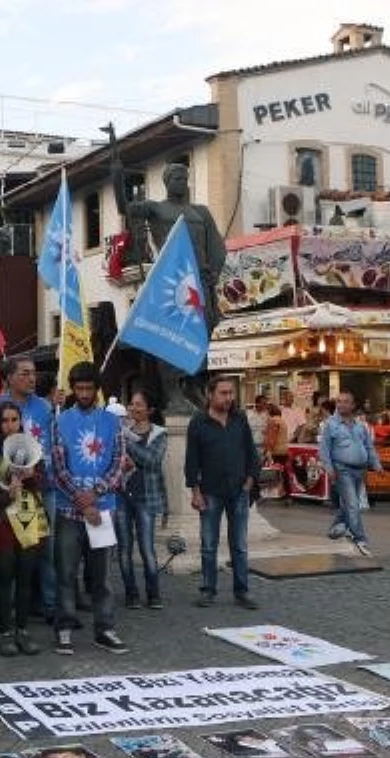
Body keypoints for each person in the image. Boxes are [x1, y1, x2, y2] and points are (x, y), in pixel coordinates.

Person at [114, 160, 226, 411]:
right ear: (166, 182)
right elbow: (125, 208)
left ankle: (195, 385)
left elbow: (218, 247)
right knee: (172, 336)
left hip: (198, 285)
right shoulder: (156, 209)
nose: (181, 183)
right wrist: (117, 176)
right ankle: (173, 391)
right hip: (171, 285)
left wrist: (214, 273)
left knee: (201, 336)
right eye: (176, 178)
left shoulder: (201, 212)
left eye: (184, 178)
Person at [50, 362, 129, 655]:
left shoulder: (112, 422)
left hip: (103, 511)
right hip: (70, 511)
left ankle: (105, 628)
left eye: (88, 388)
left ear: (96, 390)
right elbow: (58, 467)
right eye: (79, 388)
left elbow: (119, 462)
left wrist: (95, 494)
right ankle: (65, 629)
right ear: (73, 389)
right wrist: (82, 502)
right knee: (66, 572)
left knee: (102, 576)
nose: (83, 393)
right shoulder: (61, 421)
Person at [0, 357, 58, 624]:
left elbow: (50, 444)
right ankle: (5, 611)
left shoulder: (46, 407)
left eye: (33, 373)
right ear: (10, 377)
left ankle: (48, 605)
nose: (32, 378)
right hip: (6, 494)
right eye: (25, 373)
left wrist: (37, 469)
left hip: (39, 489)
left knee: (44, 550)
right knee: (5, 557)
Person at [185, 376, 260, 609]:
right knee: (208, 544)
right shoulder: (198, 422)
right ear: (210, 395)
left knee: (239, 544)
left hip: (239, 490)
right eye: (223, 393)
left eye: (231, 393)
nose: (228, 398)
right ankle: (208, 590)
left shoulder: (240, 419)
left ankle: (242, 591)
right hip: (210, 492)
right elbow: (191, 461)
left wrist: (249, 481)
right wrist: (195, 492)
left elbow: (251, 452)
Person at [0, 400, 46, 656]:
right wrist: (6, 496)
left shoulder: (31, 448)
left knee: (25, 577)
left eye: (14, 420)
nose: (10, 426)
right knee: (5, 575)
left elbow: (42, 481)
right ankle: (5, 630)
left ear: (21, 422)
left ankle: (23, 630)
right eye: (4, 421)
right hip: (1, 522)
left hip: (28, 520)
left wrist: (32, 478)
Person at [118, 388, 167, 610]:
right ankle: (131, 593)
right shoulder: (123, 430)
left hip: (146, 498)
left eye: (138, 405)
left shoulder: (160, 434)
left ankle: (153, 593)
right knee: (124, 548)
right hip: (122, 495)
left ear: (150, 410)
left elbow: (151, 460)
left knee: (147, 548)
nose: (133, 408)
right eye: (132, 404)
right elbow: (114, 458)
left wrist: (127, 443)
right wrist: (123, 463)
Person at [319, 391, 382, 557]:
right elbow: (324, 449)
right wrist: (329, 469)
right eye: (339, 402)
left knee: (349, 504)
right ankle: (360, 539)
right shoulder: (330, 425)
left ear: (353, 405)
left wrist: (376, 464)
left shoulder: (360, 425)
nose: (341, 405)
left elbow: (369, 447)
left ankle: (335, 528)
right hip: (342, 469)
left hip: (360, 470)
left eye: (345, 402)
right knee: (353, 504)